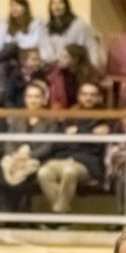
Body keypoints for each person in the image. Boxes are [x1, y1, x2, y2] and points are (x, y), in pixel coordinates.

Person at [36, 82, 109, 213]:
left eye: (93, 95)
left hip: (86, 163)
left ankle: (59, 215)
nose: (88, 98)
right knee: (43, 172)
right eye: (85, 94)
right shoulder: (69, 116)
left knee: (69, 172)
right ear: (79, 97)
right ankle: (63, 210)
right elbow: (59, 143)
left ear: (99, 98)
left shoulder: (106, 118)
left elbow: (98, 146)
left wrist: (76, 132)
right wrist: (90, 134)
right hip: (62, 158)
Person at [0, 79, 59, 213]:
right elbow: (9, 141)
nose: (33, 100)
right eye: (30, 97)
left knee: (25, 178)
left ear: (43, 99)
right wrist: (14, 155)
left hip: (36, 159)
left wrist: (28, 156)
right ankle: (6, 212)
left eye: (36, 97)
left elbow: (48, 146)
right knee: (2, 173)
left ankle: (19, 214)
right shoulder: (18, 118)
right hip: (15, 158)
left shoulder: (51, 120)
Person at [38, 0, 102, 71]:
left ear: (66, 5)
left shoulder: (79, 24)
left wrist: (93, 70)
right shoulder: (47, 28)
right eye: (53, 3)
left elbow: (92, 47)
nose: (57, 6)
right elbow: (45, 51)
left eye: (60, 2)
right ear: (50, 7)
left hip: (75, 69)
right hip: (55, 69)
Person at [0, 0, 42, 64]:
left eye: (18, 5)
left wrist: (17, 42)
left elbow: (34, 42)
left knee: (12, 46)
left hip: (26, 53)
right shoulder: (5, 23)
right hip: (8, 56)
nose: (14, 8)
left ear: (25, 8)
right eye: (12, 5)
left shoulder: (35, 22)